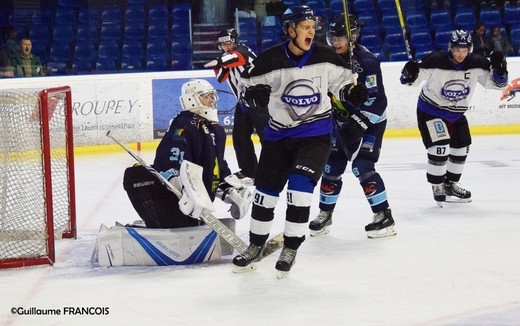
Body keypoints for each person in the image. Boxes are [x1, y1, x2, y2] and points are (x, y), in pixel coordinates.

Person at [231, 5, 368, 276]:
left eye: (313, 27)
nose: (312, 31)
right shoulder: (269, 60)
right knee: (265, 195)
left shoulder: (326, 56)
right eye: (306, 27)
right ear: (290, 30)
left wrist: (351, 92)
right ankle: (255, 245)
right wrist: (252, 95)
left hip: (314, 135)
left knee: (299, 190)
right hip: (277, 136)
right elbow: (245, 88)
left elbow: (342, 84)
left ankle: (291, 247)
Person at [308, 14, 396, 239]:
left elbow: (378, 101)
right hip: (342, 120)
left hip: (370, 121)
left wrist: (358, 124)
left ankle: (384, 216)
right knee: (332, 166)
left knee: (363, 165)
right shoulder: (327, 59)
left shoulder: (366, 61)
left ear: (353, 37)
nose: (336, 42)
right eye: (333, 37)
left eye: (342, 37)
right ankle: (325, 214)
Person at [123, 79, 253, 229]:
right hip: (179, 198)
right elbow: (169, 159)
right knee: (134, 174)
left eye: (212, 96)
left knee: (134, 176)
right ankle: (158, 223)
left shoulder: (217, 130)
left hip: (195, 203)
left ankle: (172, 222)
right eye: (206, 96)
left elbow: (217, 166)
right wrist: (178, 183)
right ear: (191, 99)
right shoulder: (184, 123)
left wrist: (229, 190)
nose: (211, 100)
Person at [400, 29, 508, 206]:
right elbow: (410, 81)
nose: (460, 54)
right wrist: (409, 72)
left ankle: (450, 184)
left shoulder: (478, 64)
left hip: (456, 114)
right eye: (457, 50)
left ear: (470, 49)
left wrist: (500, 69)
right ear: (450, 48)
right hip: (431, 111)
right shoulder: (435, 61)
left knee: (461, 148)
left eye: (464, 50)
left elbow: (497, 84)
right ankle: (437, 185)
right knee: (440, 148)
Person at [204, 27, 269, 186]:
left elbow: (237, 58)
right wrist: (220, 62)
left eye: (228, 42)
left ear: (234, 40)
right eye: (223, 44)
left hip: (260, 100)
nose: (226, 46)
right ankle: (249, 171)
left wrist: (219, 61)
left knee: (266, 136)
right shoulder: (227, 57)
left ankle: (272, 169)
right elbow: (221, 77)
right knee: (239, 137)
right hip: (244, 102)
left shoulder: (242, 51)